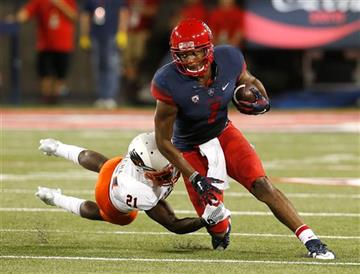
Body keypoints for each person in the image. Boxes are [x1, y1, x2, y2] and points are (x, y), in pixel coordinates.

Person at [151, 18, 335, 259]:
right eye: (184, 55)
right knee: (215, 221)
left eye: (196, 52)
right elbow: (164, 141)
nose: (191, 60)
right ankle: (220, 230)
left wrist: (262, 99)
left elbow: (249, 79)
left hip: (223, 132)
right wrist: (194, 177)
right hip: (190, 148)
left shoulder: (229, 58)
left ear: (209, 48)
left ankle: (310, 239)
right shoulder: (167, 82)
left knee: (262, 185)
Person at [36, 132, 230, 235]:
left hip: (115, 168)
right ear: (146, 172)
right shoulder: (142, 193)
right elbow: (173, 224)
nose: (170, 171)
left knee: (103, 164)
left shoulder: (146, 152)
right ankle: (55, 198)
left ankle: (57, 147)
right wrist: (205, 220)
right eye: (162, 172)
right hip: (111, 199)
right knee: (103, 214)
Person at [16, 0, 78, 104]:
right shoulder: (40, 1)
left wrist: (59, 4)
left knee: (60, 75)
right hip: (45, 45)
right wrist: (17, 18)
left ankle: (57, 98)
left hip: (63, 45)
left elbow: (74, 16)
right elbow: (25, 13)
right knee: (45, 74)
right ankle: (46, 99)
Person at [79, 0, 129, 109]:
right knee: (97, 66)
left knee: (111, 66)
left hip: (112, 35)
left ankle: (110, 97)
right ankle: (101, 96)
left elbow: (123, 13)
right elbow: (85, 16)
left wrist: (122, 32)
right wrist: (84, 35)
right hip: (96, 36)